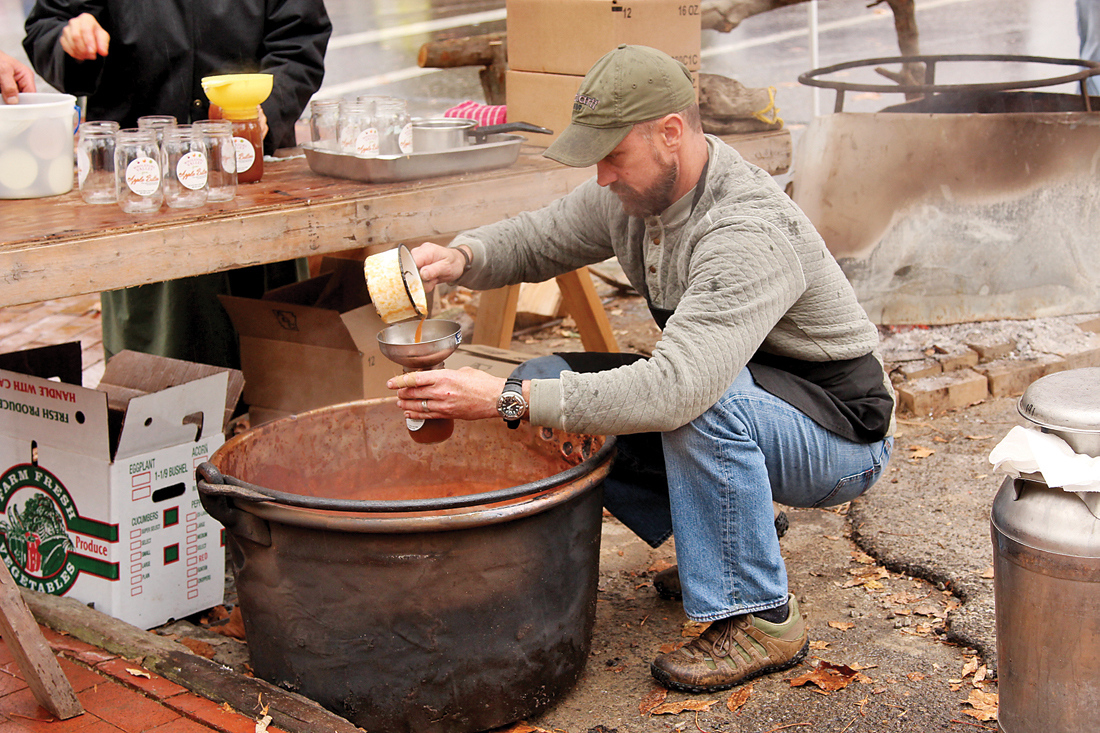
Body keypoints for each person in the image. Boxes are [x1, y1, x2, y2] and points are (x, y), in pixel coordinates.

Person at [388, 45, 895, 693]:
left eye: (612, 155)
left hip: (841, 433)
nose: (601, 176)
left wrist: (507, 397)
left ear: (671, 133)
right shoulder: (638, 193)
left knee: (691, 400)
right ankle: (740, 532)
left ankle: (761, 614)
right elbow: (544, 235)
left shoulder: (744, 229)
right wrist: (460, 258)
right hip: (751, 395)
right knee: (557, 375)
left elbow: (680, 388)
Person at [23, 1, 332, 369]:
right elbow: (47, 26)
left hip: (249, 171)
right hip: (142, 180)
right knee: (159, 355)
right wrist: (69, 41)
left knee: (272, 352)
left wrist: (271, 106)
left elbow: (300, 38)